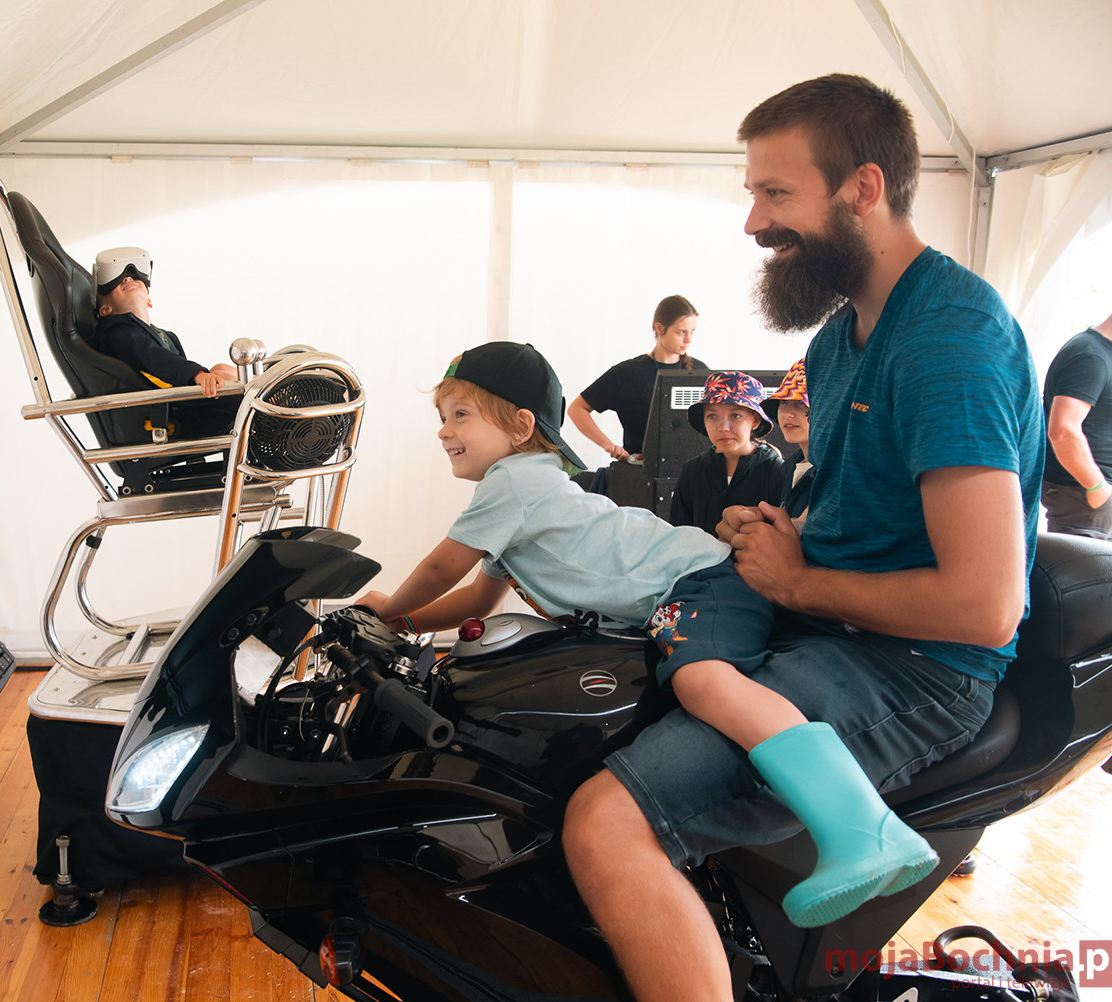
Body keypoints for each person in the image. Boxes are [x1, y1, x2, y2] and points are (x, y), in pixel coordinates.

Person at [561, 73, 1043, 1002]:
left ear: (863, 188)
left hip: (917, 667)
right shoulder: (836, 342)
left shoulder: (949, 338)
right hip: (836, 627)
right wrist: (780, 532)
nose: (753, 223)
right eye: (753, 194)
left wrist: (797, 583)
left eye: (774, 194)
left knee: (606, 824)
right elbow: (858, 516)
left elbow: (984, 607)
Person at [355, 340, 936, 931]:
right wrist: (402, 624)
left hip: (697, 581)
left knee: (704, 683)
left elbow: (441, 569)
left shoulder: (511, 485)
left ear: (522, 426)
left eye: (461, 414)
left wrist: (389, 606)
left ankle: (863, 829)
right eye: (442, 416)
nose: (444, 430)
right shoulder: (528, 492)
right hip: (690, 584)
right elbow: (479, 598)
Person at [90, 247, 240, 437]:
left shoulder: (165, 336)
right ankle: (269, 397)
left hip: (182, 399)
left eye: (134, 277)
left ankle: (266, 391)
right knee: (227, 379)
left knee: (222, 370)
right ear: (105, 310)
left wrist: (199, 376)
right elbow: (154, 358)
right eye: (119, 281)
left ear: (149, 300)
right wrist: (197, 374)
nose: (128, 278)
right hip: (176, 412)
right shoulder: (118, 333)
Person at [569, 295, 707, 461]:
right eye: (681, 332)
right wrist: (608, 445)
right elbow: (577, 409)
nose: (688, 339)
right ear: (659, 328)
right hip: (640, 469)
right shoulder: (628, 373)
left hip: (693, 468)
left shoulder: (700, 371)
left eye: (692, 331)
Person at [1041, 294, 1112, 541]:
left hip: (1093, 498)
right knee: (1088, 568)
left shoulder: (1105, 353)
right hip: (1082, 496)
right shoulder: (1090, 356)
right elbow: (1063, 430)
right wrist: (1096, 487)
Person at [667, 371, 784, 536]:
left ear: (755, 420)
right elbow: (678, 532)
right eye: (712, 416)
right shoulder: (692, 470)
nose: (723, 427)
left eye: (735, 416)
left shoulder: (776, 470)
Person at [762, 358, 814, 527]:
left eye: (801, 403)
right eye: (784, 402)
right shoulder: (789, 466)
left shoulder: (838, 469)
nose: (788, 414)